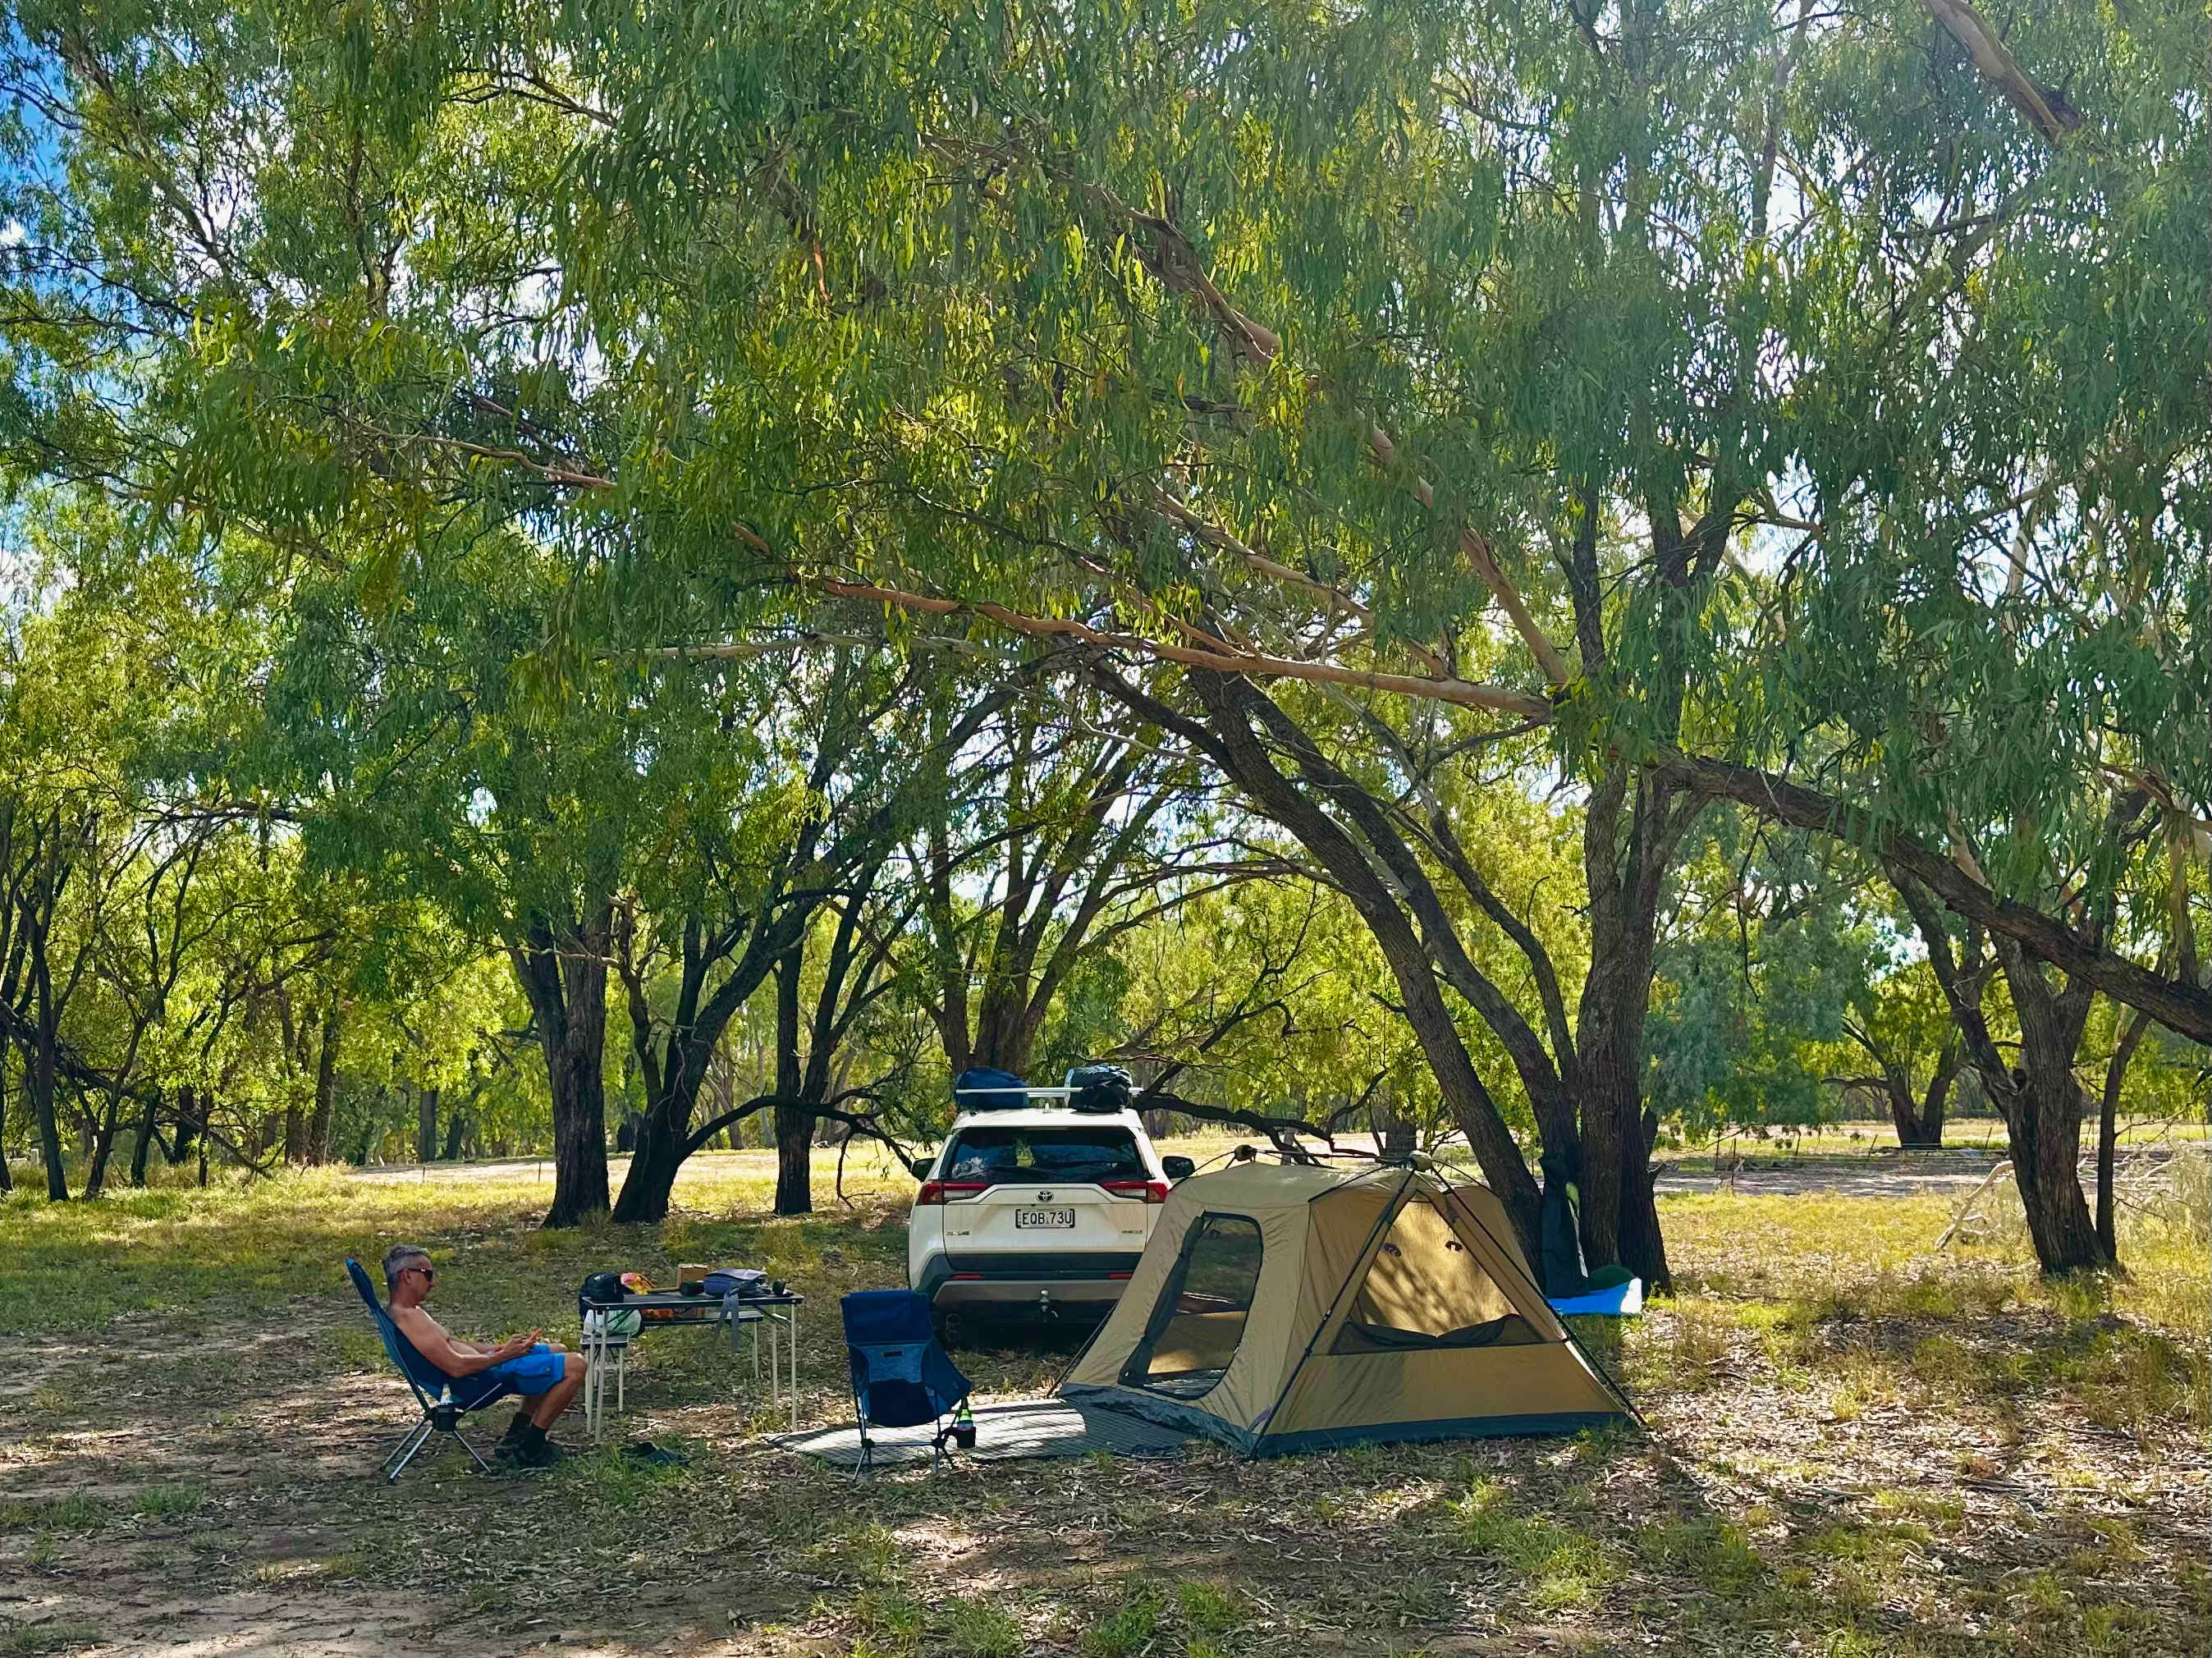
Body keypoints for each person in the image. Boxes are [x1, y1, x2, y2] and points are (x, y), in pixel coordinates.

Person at [381, 1244, 586, 1468]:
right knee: (576, 1365)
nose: (433, 1283)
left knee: (558, 1349)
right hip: (475, 1382)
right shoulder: (409, 1319)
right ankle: (531, 1448)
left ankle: (516, 1433)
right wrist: (505, 1355)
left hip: (484, 1368)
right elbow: (457, 1368)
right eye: (427, 1275)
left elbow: (454, 1344)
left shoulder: (410, 1312)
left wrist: (497, 1349)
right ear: (407, 1276)